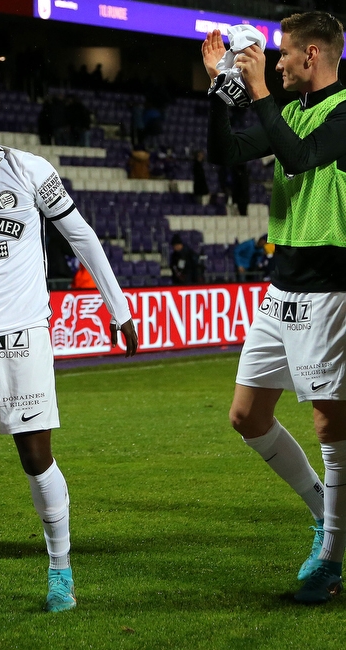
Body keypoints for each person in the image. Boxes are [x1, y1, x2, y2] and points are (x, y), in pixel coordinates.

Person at [0, 71, 138, 624]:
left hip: (22, 336)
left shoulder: (27, 169)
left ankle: (60, 572)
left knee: (35, 457)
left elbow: (81, 235)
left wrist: (118, 307)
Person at [203, 11, 346, 604]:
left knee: (329, 424)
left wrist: (257, 89)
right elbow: (227, 154)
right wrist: (218, 90)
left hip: (329, 282)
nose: (277, 62)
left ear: (311, 55)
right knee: (246, 416)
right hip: (281, 283)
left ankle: (332, 555)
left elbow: (301, 159)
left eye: (284, 54)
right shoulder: (286, 108)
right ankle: (325, 513)